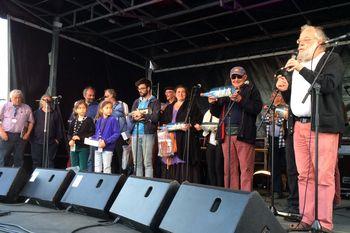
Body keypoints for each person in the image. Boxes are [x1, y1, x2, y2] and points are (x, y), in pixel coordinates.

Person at [276, 25, 344, 232]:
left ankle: (323, 223)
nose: (300, 42)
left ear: (319, 41)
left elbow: (328, 85)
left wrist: (300, 69)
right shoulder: (300, 65)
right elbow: (297, 101)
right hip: (299, 125)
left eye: (305, 38)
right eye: (299, 39)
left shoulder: (331, 59)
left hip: (322, 125)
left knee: (323, 175)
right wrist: (286, 91)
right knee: (303, 175)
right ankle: (306, 218)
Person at [209, 66, 262, 191]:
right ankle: (231, 195)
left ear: (245, 77)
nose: (236, 79)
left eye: (239, 76)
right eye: (234, 76)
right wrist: (213, 103)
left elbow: (256, 108)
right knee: (229, 168)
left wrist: (240, 100)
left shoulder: (251, 89)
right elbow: (217, 113)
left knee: (246, 168)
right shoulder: (226, 91)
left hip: (243, 134)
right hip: (226, 135)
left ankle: (245, 197)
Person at [160, 85, 203, 183]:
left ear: (186, 94)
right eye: (178, 92)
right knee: (171, 160)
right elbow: (163, 121)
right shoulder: (169, 107)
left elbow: (198, 120)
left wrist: (190, 125)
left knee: (183, 160)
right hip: (170, 137)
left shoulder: (191, 105)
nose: (180, 94)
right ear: (175, 94)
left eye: (183, 92)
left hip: (184, 137)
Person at [129, 78, 161, 178]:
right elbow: (131, 118)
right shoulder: (136, 101)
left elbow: (156, 118)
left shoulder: (154, 101)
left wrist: (142, 116)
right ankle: (138, 184)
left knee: (147, 162)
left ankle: (147, 183)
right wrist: (135, 116)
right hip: (135, 133)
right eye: (139, 89)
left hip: (148, 133)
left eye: (142, 88)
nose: (140, 90)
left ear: (148, 88)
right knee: (136, 163)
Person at [0, 89, 34, 167]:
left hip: (20, 137)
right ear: (11, 98)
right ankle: (3, 177)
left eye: (19, 97)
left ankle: (17, 178)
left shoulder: (26, 108)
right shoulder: (5, 106)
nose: (18, 99)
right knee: (3, 157)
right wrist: (1, 132)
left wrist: (28, 134)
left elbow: (31, 122)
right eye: (15, 98)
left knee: (19, 158)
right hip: (6, 135)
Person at [264, 91, 287, 198]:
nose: (274, 97)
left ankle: (291, 191)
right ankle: (276, 190)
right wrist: (273, 118)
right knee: (274, 166)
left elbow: (282, 121)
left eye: (277, 96)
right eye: (272, 96)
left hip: (284, 141)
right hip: (272, 139)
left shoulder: (286, 107)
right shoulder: (269, 108)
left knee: (286, 166)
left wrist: (275, 119)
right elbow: (264, 120)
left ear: (281, 97)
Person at [30, 94, 64, 169]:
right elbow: (31, 126)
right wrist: (31, 139)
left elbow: (59, 128)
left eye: (48, 100)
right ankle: (34, 179)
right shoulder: (36, 113)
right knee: (37, 162)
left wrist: (57, 140)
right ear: (41, 102)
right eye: (45, 100)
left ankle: (48, 179)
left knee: (50, 162)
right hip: (37, 142)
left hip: (51, 143)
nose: (47, 102)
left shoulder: (55, 114)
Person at [103, 89, 130, 174]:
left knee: (122, 157)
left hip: (121, 135)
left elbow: (127, 119)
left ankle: (123, 176)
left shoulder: (122, 104)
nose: (104, 97)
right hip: (110, 136)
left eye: (106, 96)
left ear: (111, 95)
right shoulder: (105, 107)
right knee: (111, 158)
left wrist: (128, 135)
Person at [91, 100, 120, 174]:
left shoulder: (113, 119)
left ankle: (106, 184)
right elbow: (97, 133)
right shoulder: (99, 120)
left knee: (106, 167)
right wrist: (92, 138)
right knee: (97, 167)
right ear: (101, 110)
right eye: (107, 108)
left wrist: (106, 141)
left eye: (110, 108)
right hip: (98, 147)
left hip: (108, 148)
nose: (109, 109)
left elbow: (116, 134)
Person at [67, 100, 95, 171]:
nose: (82, 110)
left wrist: (80, 138)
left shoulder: (89, 120)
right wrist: (70, 140)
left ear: (86, 109)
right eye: (79, 108)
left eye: (83, 108)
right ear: (76, 110)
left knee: (83, 168)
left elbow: (92, 133)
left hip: (84, 147)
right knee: (74, 167)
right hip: (74, 147)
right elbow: (69, 133)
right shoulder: (74, 121)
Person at [201, 109, 224, 186]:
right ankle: (213, 187)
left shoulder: (223, 110)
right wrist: (211, 128)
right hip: (210, 142)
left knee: (218, 166)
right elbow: (204, 126)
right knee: (210, 166)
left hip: (221, 142)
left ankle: (220, 187)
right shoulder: (209, 112)